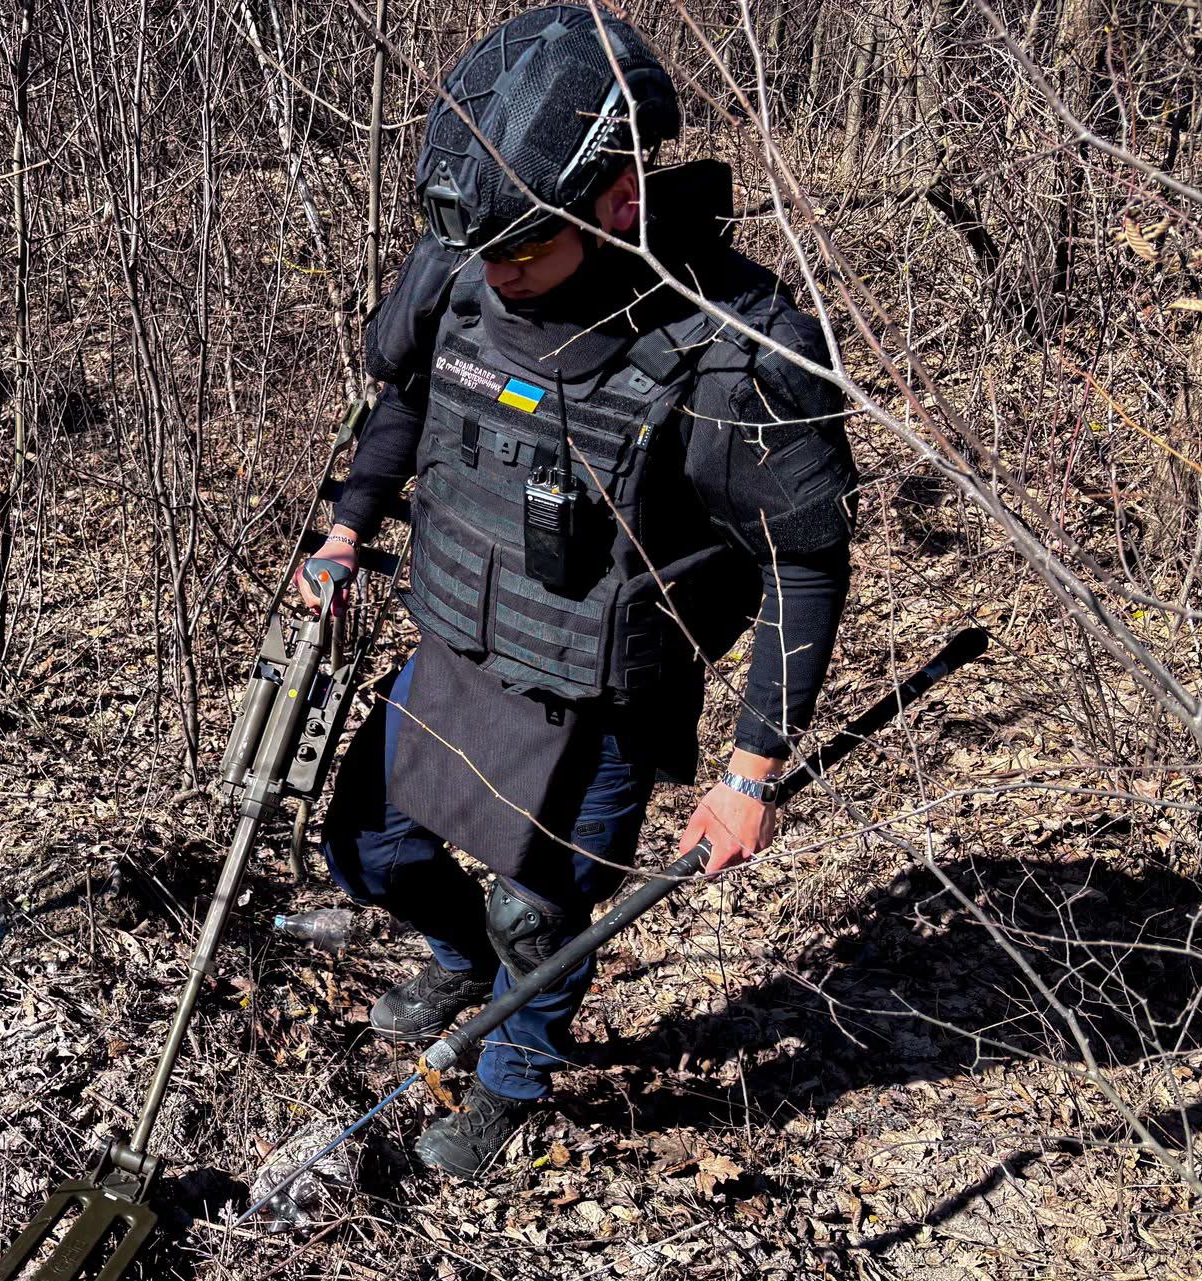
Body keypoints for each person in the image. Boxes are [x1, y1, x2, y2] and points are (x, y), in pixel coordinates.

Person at [293, 5, 857, 1179]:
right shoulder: (466, 260)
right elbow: (404, 396)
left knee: (538, 924)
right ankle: (455, 961)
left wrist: (749, 771)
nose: (498, 276)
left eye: (523, 253)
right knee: (363, 847)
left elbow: (803, 563)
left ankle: (507, 1081)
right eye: (485, 253)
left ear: (614, 204)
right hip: (452, 647)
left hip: (595, 698)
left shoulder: (732, 350)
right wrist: (347, 530)